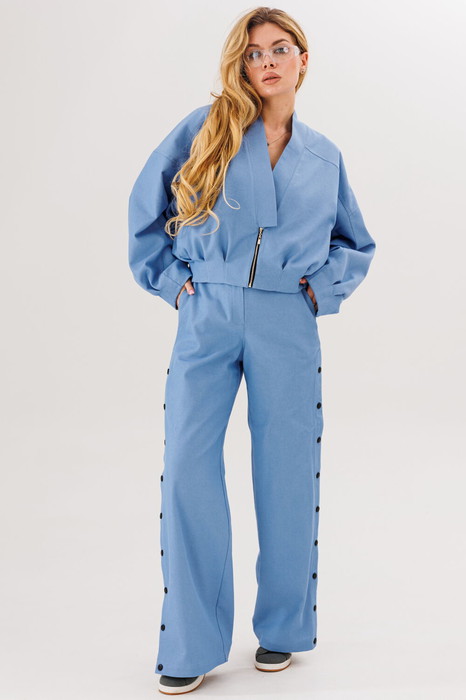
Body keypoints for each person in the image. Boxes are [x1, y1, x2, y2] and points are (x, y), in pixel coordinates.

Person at [128, 6, 376, 695]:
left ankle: (283, 628)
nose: (266, 61)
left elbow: (355, 242)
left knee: (287, 471)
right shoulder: (204, 129)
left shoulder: (323, 156)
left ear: (303, 60)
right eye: (254, 52)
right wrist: (174, 283)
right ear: (241, 64)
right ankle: (192, 642)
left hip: (286, 319)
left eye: (280, 48)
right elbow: (146, 211)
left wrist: (317, 291)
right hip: (207, 310)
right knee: (187, 467)